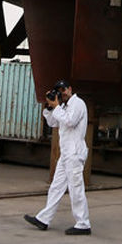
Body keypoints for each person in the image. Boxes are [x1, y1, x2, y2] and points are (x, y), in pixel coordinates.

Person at [23, 79, 91, 235]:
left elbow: (70, 121)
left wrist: (57, 107)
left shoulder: (78, 104)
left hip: (74, 153)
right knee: (56, 187)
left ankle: (83, 223)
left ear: (70, 89)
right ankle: (43, 219)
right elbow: (54, 122)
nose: (62, 93)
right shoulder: (64, 106)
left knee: (76, 189)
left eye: (64, 90)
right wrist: (49, 107)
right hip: (66, 154)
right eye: (59, 91)